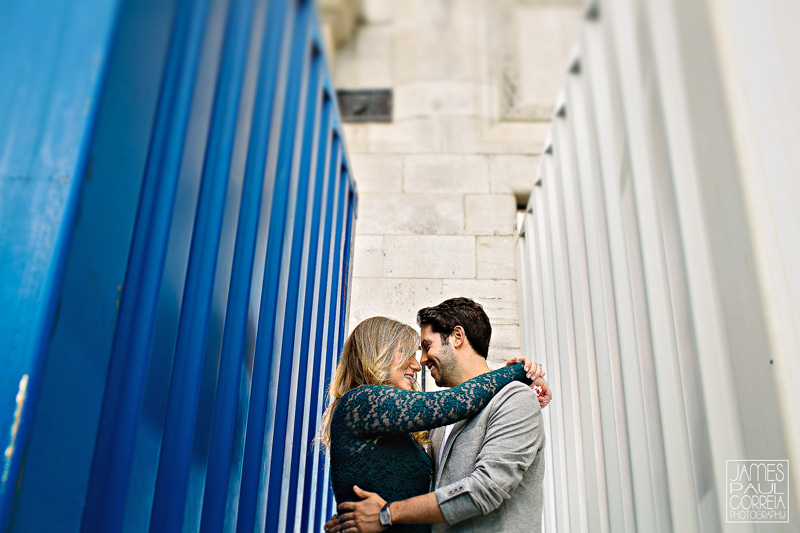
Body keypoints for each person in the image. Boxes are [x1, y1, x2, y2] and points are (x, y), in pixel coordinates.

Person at [328, 298, 547, 533]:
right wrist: (521, 371)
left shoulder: (514, 399)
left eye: (425, 346)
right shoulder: (437, 418)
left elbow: (486, 488)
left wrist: (386, 513)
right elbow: (455, 402)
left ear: (457, 336)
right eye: (410, 352)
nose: (420, 362)